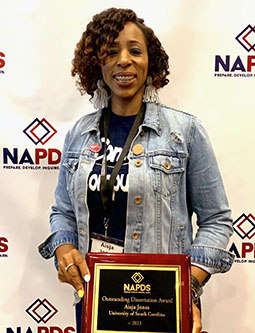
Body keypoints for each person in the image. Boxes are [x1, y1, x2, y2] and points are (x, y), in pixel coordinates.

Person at [38, 7, 234, 333]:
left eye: (135, 50)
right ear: (97, 64)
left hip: (164, 306)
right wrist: (65, 248)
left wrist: (186, 289)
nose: (124, 60)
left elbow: (217, 221)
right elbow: (62, 211)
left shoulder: (184, 132)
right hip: (97, 303)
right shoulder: (78, 134)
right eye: (111, 51)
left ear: (150, 62)